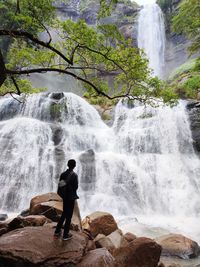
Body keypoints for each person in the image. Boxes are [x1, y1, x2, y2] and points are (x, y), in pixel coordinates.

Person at [54, 159, 79, 240]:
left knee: (64, 213)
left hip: (64, 196)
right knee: (69, 216)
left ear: (67, 165)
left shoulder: (63, 174)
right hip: (71, 198)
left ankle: (57, 231)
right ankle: (65, 235)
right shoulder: (74, 175)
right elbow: (76, 187)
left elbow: (60, 184)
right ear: (74, 166)